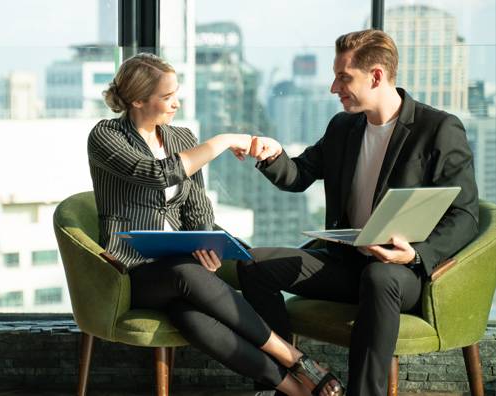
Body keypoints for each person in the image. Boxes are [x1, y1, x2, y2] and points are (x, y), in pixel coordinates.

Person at [238, 29, 479, 396]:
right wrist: (272, 155)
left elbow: (465, 215)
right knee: (253, 265)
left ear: (377, 75)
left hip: (402, 272)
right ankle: (285, 381)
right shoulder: (343, 127)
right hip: (346, 263)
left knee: (380, 277)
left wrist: (415, 254)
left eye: (343, 77)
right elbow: (299, 175)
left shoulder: (438, 129)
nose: (334, 88)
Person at [87, 53, 344, 396]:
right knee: (185, 273)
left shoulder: (180, 138)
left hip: (179, 271)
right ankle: (295, 358)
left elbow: (197, 209)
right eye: (167, 97)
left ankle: (292, 390)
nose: (176, 103)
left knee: (192, 317)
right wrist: (224, 141)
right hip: (131, 271)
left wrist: (206, 242)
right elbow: (159, 175)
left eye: (176, 93)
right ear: (137, 99)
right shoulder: (105, 136)